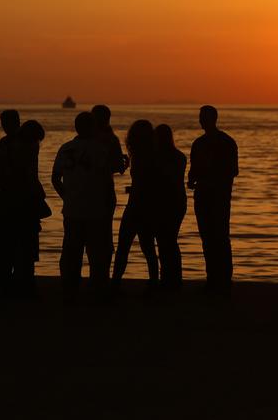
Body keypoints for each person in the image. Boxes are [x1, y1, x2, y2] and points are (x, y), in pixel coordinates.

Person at [52, 111, 117, 301]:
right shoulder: (100, 149)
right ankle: (97, 291)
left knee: (71, 253)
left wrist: (67, 196)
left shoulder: (66, 148)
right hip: (96, 210)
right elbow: (106, 178)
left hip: (72, 210)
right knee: (98, 253)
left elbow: (55, 178)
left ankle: (70, 290)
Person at [0, 117, 49, 297]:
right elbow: (29, 177)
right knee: (27, 244)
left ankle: (7, 282)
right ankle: (25, 283)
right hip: (24, 202)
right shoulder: (26, 149)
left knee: (9, 244)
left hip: (9, 201)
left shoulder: (7, 146)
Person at [189, 105, 238, 295]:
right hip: (204, 195)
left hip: (218, 197)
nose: (201, 120)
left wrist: (209, 176)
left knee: (219, 237)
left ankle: (223, 279)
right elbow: (193, 170)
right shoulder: (200, 143)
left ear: (212, 119)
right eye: (200, 117)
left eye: (203, 117)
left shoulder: (224, 142)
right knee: (208, 238)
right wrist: (193, 179)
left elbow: (232, 171)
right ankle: (214, 278)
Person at [111, 119, 160, 293]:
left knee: (124, 246)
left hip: (136, 206)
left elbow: (143, 182)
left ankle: (116, 282)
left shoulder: (141, 156)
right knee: (147, 248)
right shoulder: (150, 155)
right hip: (146, 206)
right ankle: (153, 282)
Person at [0, 109, 23, 286]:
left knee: (11, 242)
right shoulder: (6, 142)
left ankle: (9, 277)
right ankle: (4, 277)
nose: (5, 127)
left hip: (15, 197)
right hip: (7, 196)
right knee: (6, 242)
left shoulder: (21, 142)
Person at [153, 124, 187, 291]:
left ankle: (167, 278)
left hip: (166, 202)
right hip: (178, 202)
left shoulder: (157, 158)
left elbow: (163, 181)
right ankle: (174, 277)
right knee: (170, 241)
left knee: (165, 241)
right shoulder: (180, 157)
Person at [91, 104, 129, 174]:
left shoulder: (84, 138)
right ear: (108, 119)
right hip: (104, 182)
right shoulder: (112, 139)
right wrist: (125, 163)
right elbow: (119, 168)